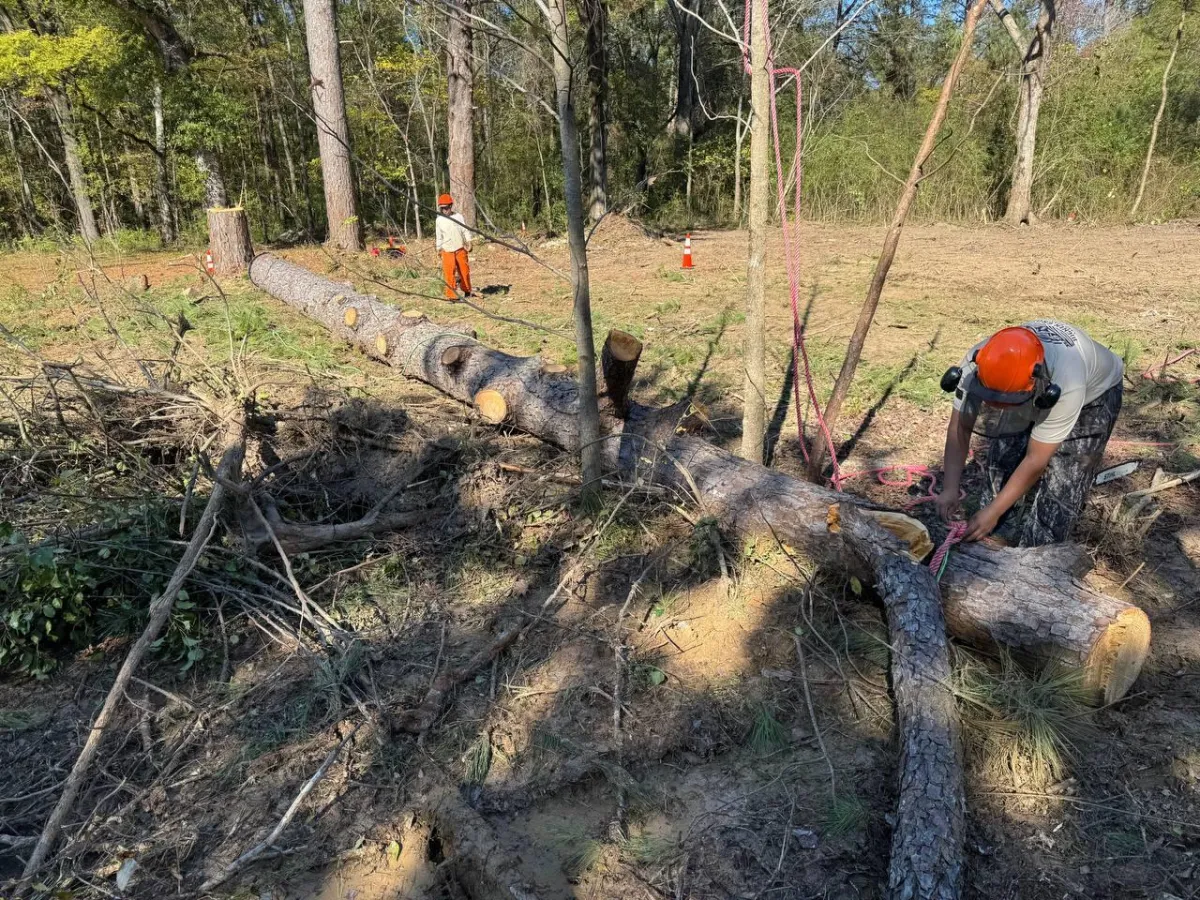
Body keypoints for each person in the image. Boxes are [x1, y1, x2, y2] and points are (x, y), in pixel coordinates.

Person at [936, 320, 1124, 547]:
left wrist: (994, 511)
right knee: (1002, 464)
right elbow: (960, 428)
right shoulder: (977, 363)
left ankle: (1038, 563)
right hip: (1022, 387)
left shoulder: (1066, 381)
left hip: (1095, 394)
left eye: (1005, 403)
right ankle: (994, 541)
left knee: (1062, 485)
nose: (999, 408)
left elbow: (1036, 460)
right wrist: (949, 488)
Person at [435, 193, 473, 300]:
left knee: (464, 271)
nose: (445, 210)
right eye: (442, 208)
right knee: (449, 273)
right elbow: (439, 236)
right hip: (447, 250)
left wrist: (469, 242)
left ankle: (467, 291)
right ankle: (452, 296)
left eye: (446, 208)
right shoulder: (439, 220)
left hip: (460, 248)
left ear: (451, 206)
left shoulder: (459, 217)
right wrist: (438, 249)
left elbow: (465, 230)